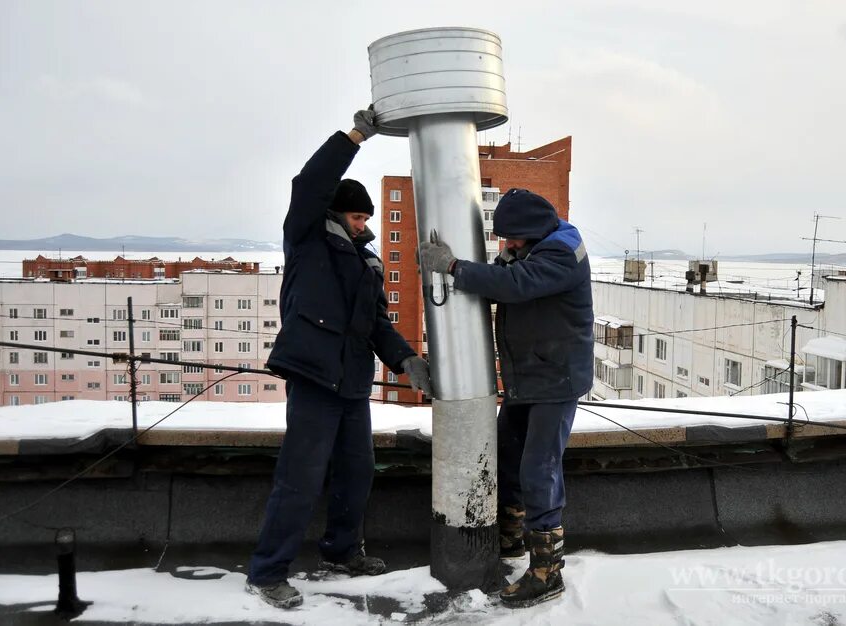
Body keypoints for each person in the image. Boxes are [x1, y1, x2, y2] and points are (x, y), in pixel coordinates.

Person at [246, 108, 432, 609]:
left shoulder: (367, 260)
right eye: (357, 216)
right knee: (300, 478)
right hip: (312, 377)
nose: (364, 224)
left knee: (357, 471)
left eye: (368, 217)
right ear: (334, 212)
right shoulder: (306, 236)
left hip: (352, 383)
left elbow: (375, 325)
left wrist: (406, 362)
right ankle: (267, 573)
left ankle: (342, 551)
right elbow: (310, 180)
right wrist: (354, 137)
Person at [419, 188, 593, 608]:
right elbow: (507, 279)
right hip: (529, 377)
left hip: (554, 380)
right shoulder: (534, 249)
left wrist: (456, 267)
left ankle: (546, 571)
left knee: (540, 469)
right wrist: (482, 270)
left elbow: (517, 285)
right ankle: (512, 537)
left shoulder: (562, 252)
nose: (507, 245)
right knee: (508, 455)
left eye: (512, 238)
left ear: (531, 232)